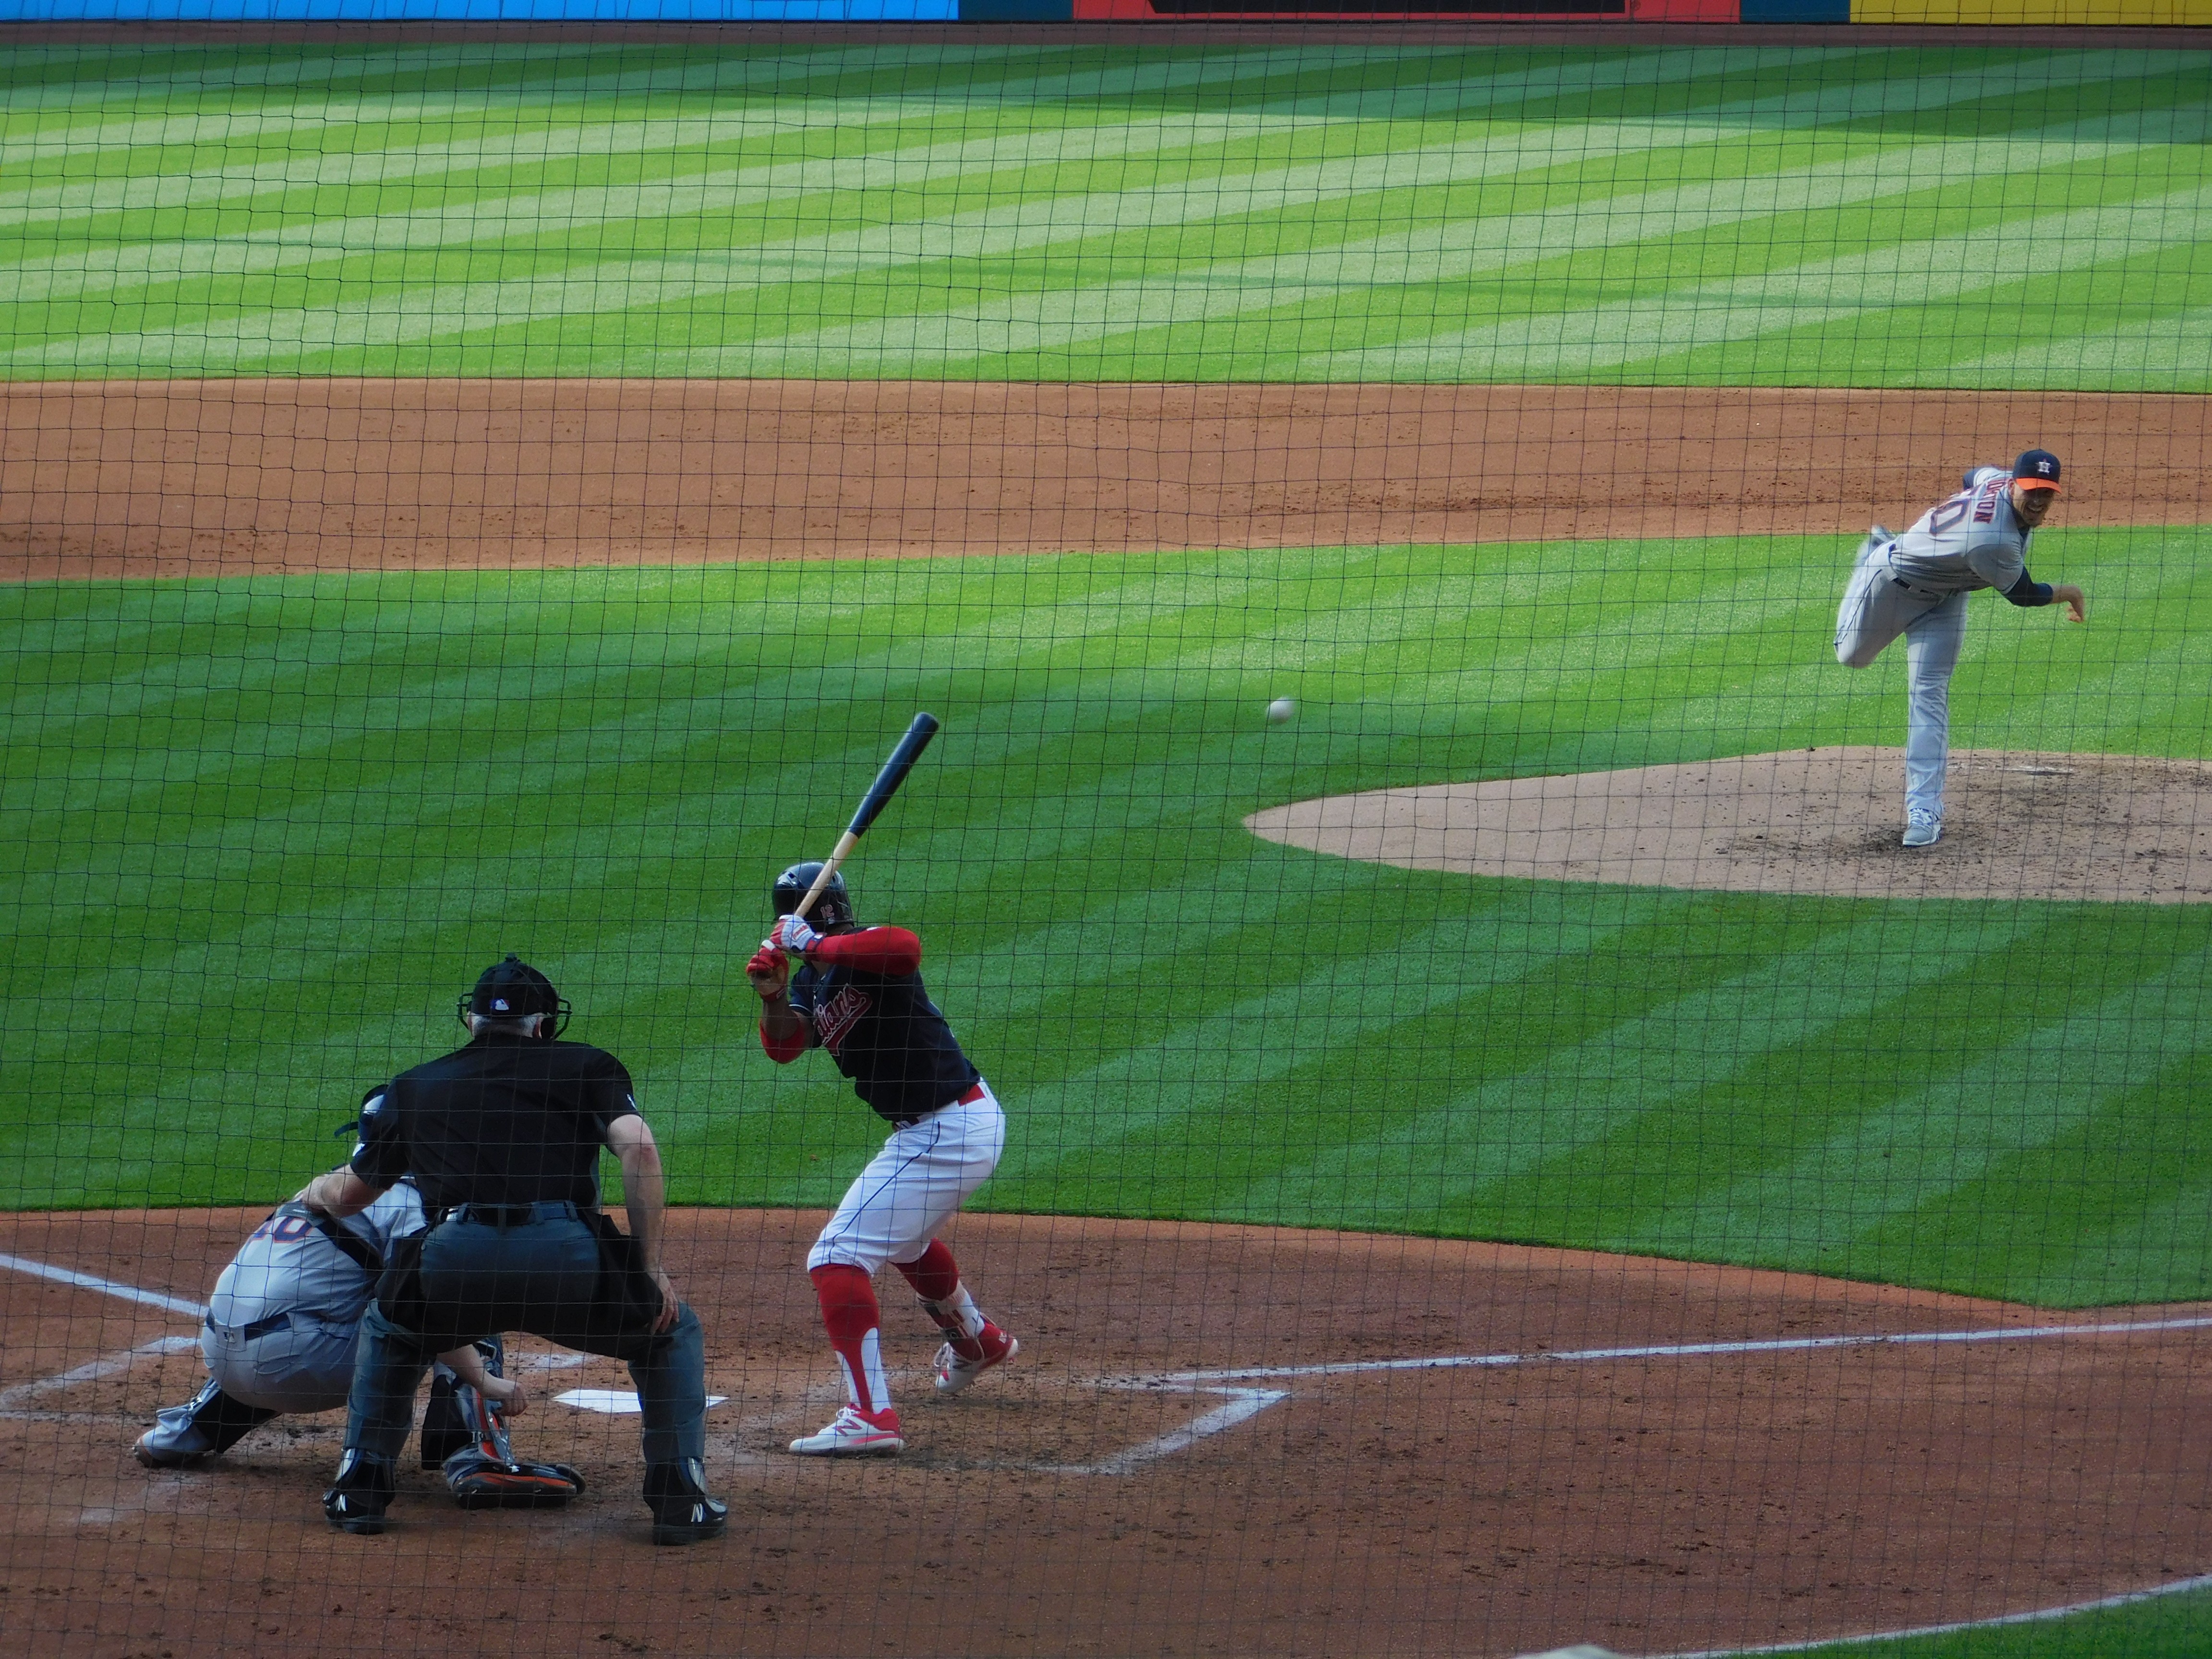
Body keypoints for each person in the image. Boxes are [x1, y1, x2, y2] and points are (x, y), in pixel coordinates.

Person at [302, 954, 724, 1543]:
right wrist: (648, 1268)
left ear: (470, 1023)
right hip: (567, 1261)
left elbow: (348, 1196)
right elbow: (641, 1149)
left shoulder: (415, 1085)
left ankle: (360, 1486)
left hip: (456, 1262)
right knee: (669, 1332)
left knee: (394, 1326)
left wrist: (315, 1189)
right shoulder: (588, 1066)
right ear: (545, 1025)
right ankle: (681, 1498)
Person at [746, 862, 1017, 1456]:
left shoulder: (865, 953)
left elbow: (906, 946)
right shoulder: (813, 983)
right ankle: (979, 1341)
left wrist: (813, 944)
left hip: (950, 1126)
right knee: (902, 1240)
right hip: (940, 1129)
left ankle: (870, 1416)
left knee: (836, 1255)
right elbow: (786, 1047)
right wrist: (771, 997)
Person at [132, 1177, 541, 1491]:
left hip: (223, 1358)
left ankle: (184, 1433)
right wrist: (489, 1383)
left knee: (293, 1319)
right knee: (461, 1304)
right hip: (298, 1368)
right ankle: (476, 1457)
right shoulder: (414, 1204)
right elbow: (423, 1311)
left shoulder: (331, 1186)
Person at [1834, 447, 2087, 848]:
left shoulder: (1999, 480)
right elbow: (2023, 595)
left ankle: (1925, 812)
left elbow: (1973, 475)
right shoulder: (1994, 541)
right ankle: (1875, 550)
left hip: (1948, 599)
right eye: (2031, 491)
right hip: (1893, 584)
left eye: (2047, 493)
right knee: (1851, 657)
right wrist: (2071, 592)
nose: (2038, 501)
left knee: (1928, 693)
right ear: (2016, 484)